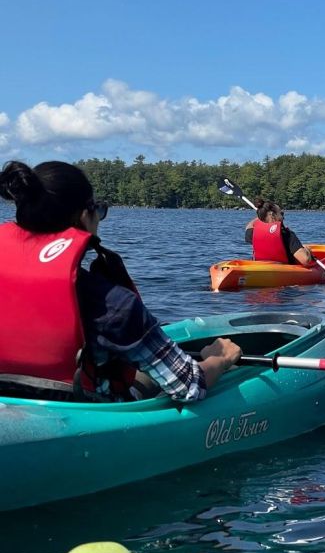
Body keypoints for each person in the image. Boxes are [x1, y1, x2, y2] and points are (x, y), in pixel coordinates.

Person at [0, 160, 241, 402]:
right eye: (99, 210)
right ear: (85, 216)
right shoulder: (112, 305)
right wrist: (219, 359)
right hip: (81, 413)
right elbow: (189, 386)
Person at [244, 199, 315, 266]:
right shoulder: (286, 234)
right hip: (284, 271)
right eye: (281, 213)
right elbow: (305, 260)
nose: (283, 217)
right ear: (272, 214)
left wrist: (262, 215)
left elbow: (249, 226)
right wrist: (307, 250)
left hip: (261, 268)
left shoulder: (254, 233)